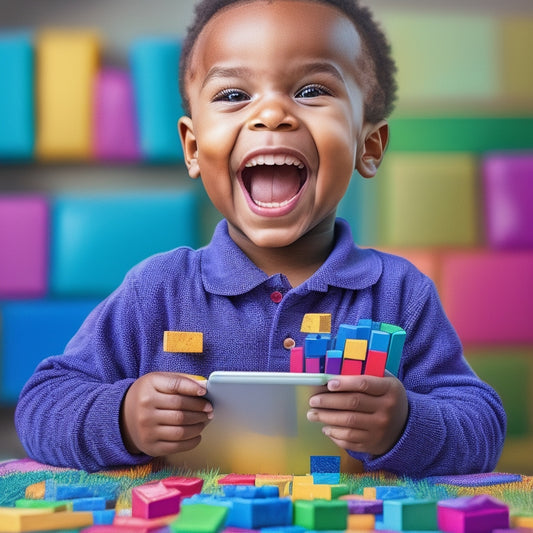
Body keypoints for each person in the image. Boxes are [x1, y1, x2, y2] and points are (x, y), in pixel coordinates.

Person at [15, 0, 506, 476]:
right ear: (192, 147)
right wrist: (121, 417)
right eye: (233, 95)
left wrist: (404, 425)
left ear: (368, 146)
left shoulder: (399, 293)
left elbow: (481, 424)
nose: (271, 115)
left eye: (312, 90)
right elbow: (42, 405)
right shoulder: (158, 290)